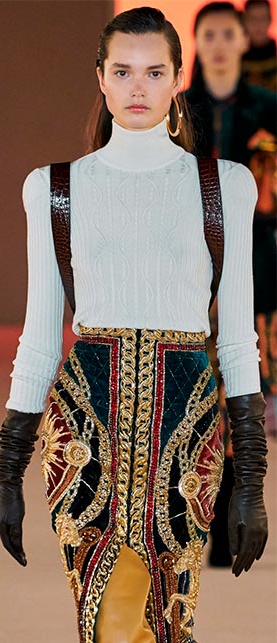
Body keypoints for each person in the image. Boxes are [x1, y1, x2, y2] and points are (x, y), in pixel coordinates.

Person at [0, 7, 267, 643]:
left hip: (189, 450)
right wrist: (9, 463)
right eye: (123, 70)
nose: (139, 87)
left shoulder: (224, 187)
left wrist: (252, 477)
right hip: (87, 447)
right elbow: (42, 330)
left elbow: (238, 334)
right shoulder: (55, 189)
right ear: (101, 78)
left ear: (175, 79)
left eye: (156, 71)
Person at [185, 1, 277, 561]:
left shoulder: (268, 107)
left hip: (258, 262)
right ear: (196, 44)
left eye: (228, 34)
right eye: (209, 35)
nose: (219, 44)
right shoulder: (177, 111)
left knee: (246, 397)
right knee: (200, 402)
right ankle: (206, 522)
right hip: (190, 271)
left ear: (244, 41)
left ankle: (243, 516)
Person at [242, 0, 277, 89]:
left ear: (270, 20)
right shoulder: (232, 58)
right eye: (253, 18)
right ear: (244, 20)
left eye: (263, 18)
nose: (258, 24)